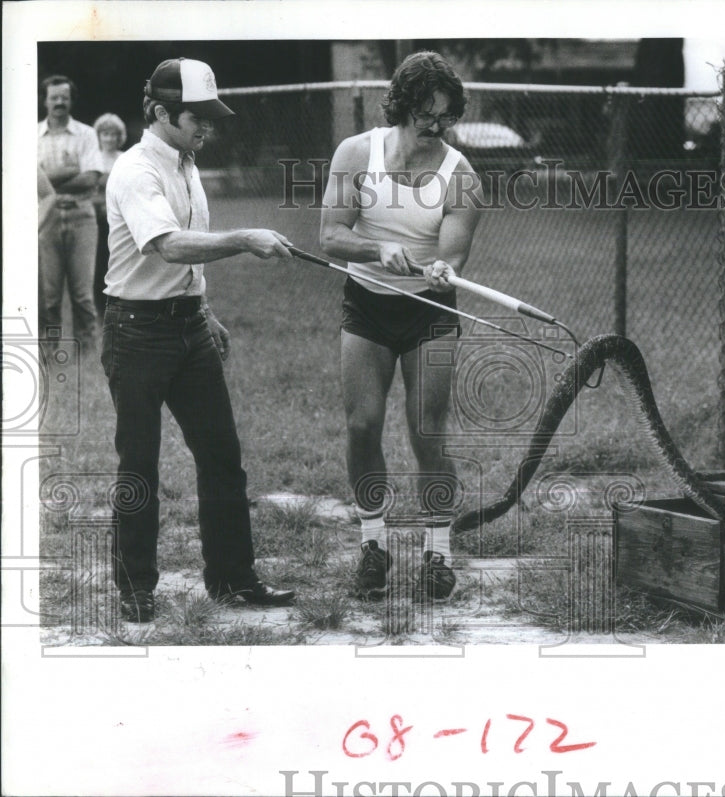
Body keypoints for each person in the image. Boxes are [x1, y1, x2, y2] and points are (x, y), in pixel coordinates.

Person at [103, 57, 296, 622]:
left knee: (221, 458)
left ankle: (234, 580)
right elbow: (168, 244)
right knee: (138, 465)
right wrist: (246, 238)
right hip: (136, 331)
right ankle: (136, 588)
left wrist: (203, 309)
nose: (208, 127)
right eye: (198, 117)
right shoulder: (136, 170)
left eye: (211, 117)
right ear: (161, 113)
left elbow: (186, 259)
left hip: (188, 326)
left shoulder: (185, 162)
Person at [319, 51, 482, 601]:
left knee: (427, 433)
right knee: (363, 425)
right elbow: (330, 236)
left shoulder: (461, 177)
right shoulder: (356, 153)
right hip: (367, 304)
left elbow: (453, 260)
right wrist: (376, 247)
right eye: (426, 114)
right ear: (403, 107)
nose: (435, 127)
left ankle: (439, 553)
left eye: (445, 117)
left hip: (429, 315)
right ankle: (372, 545)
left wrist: (442, 271)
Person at [37, 75, 102, 354]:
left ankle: (87, 355)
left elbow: (91, 180)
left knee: (83, 294)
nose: (59, 102)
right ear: (45, 100)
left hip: (81, 216)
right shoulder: (32, 135)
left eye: (64, 97)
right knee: (49, 296)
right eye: (54, 97)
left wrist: (45, 180)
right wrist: (70, 170)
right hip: (45, 219)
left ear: (71, 100)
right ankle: (48, 352)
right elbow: (26, 181)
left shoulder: (86, 134)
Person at [92, 112, 127, 319]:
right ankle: (98, 309)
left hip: (118, 222)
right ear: (99, 136)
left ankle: (118, 306)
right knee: (98, 264)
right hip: (95, 221)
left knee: (117, 263)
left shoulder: (124, 159)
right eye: (105, 134)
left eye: (113, 134)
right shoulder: (91, 159)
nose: (109, 138)